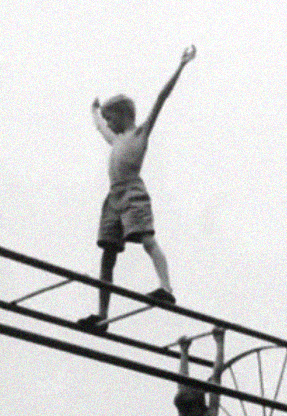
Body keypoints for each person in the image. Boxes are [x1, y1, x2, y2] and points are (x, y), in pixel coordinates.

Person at [78, 45, 197, 332]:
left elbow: (161, 98)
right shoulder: (115, 139)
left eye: (111, 118)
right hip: (113, 197)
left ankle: (166, 287)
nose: (109, 124)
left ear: (122, 115)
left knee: (146, 240)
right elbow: (99, 127)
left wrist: (181, 66)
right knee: (107, 256)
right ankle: (102, 315)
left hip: (132, 192)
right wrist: (94, 111)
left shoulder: (140, 133)